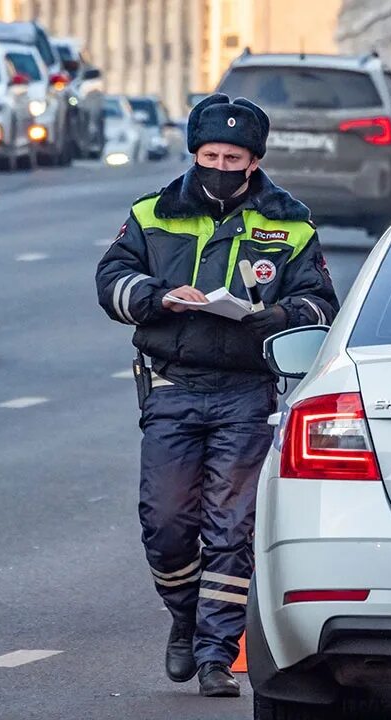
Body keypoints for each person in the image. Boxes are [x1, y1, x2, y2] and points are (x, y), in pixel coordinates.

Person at [94, 93, 338, 697]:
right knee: (167, 524)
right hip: (173, 386)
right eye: (210, 154)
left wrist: (265, 316)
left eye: (233, 157)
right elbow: (112, 281)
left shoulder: (291, 221)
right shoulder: (154, 213)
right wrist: (157, 297)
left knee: (232, 528)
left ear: (253, 162)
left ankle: (215, 654)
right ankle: (184, 617)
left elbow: (319, 305)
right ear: (194, 153)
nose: (220, 166)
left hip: (247, 392)